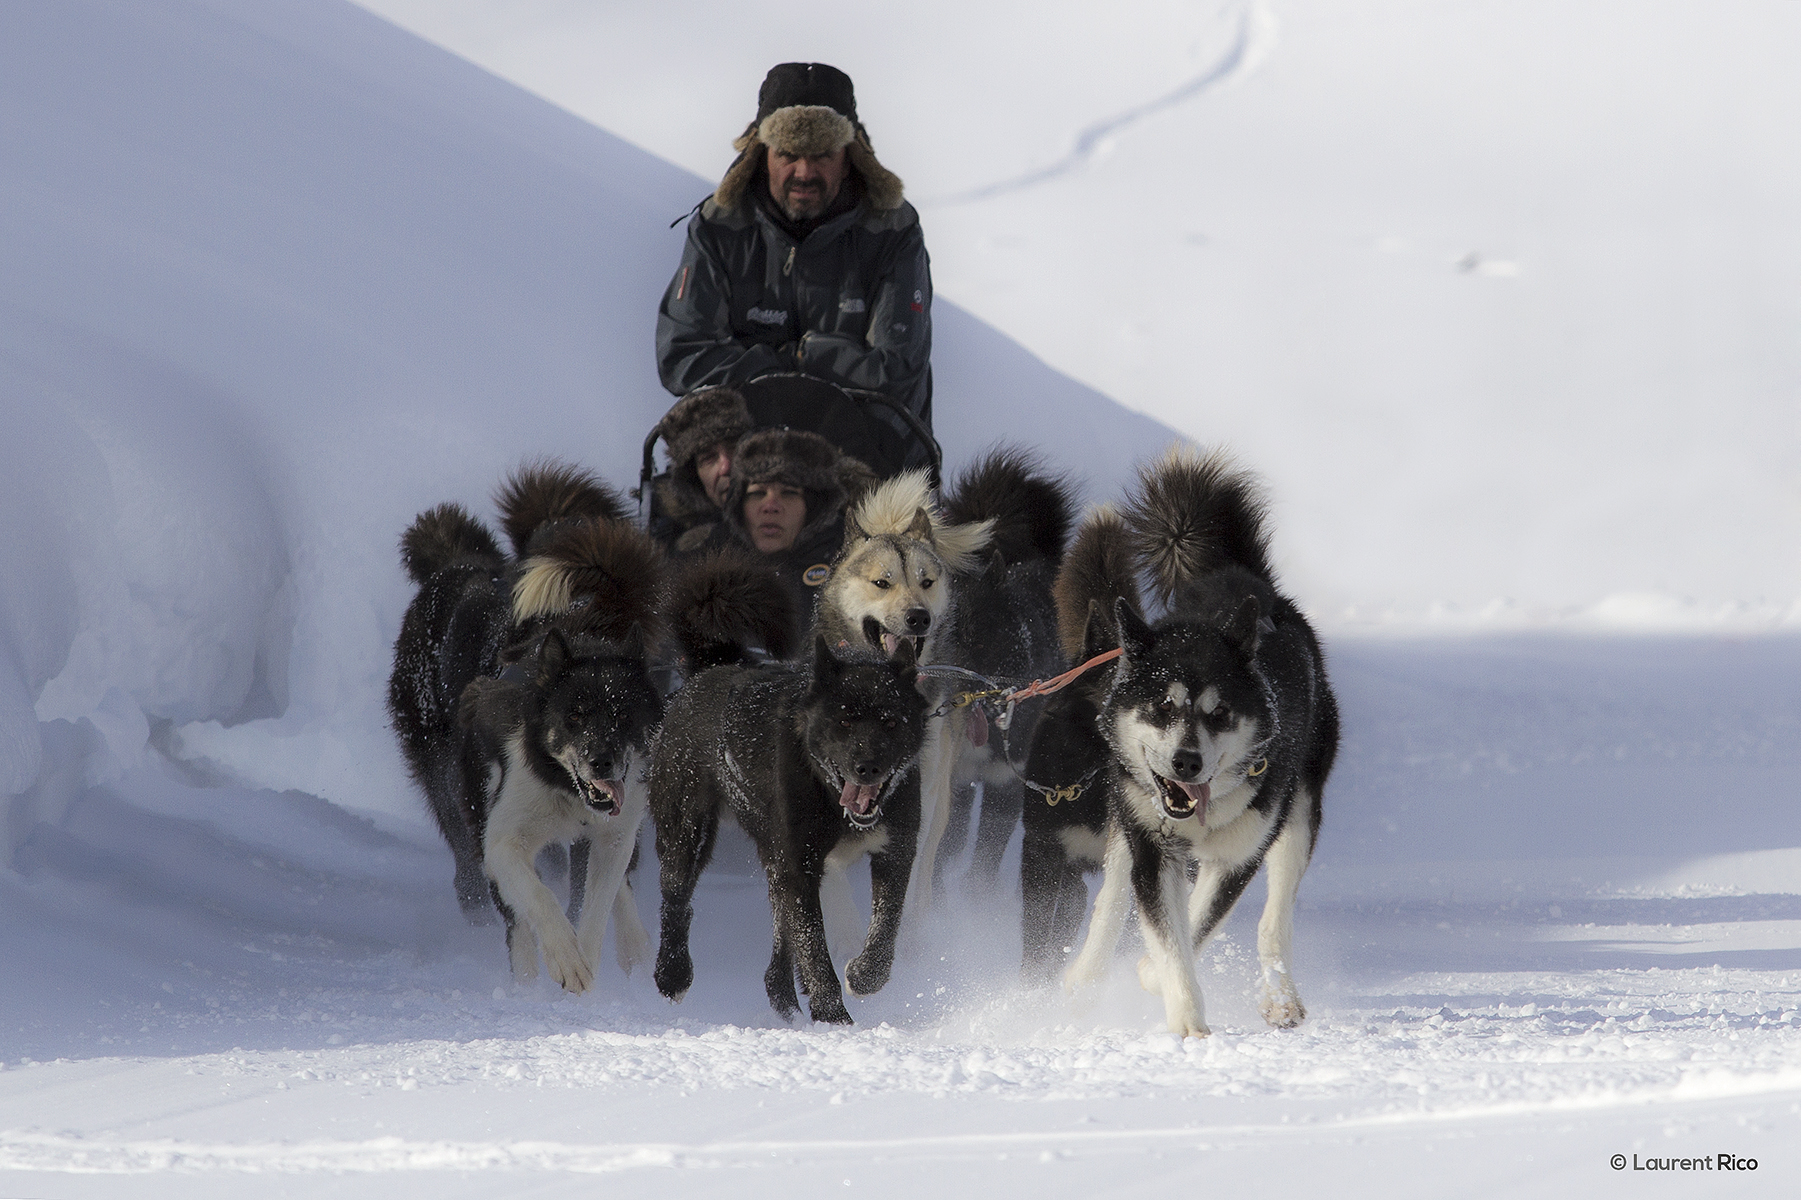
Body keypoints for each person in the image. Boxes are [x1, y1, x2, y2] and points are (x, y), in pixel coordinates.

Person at [656, 62, 933, 430]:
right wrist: (794, 371)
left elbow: (895, 370)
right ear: (761, 154)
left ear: (850, 159)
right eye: (788, 153)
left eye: (822, 154)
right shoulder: (719, 228)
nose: (804, 172)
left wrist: (801, 356)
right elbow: (683, 356)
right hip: (747, 446)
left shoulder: (892, 231)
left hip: (868, 448)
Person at [646, 385, 754, 555]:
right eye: (709, 458)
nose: (726, 466)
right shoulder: (679, 555)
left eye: (734, 448)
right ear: (694, 477)